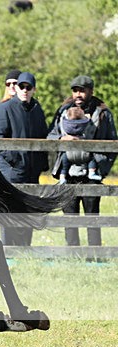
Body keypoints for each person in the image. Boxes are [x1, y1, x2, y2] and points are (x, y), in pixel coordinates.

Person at [47, 75, 117, 247]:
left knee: (92, 218)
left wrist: (100, 169)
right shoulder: (63, 111)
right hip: (68, 174)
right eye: (75, 90)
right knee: (69, 218)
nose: (78, 94)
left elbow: (113, 143)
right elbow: (51, 135)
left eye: (82, 90)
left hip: (91, 173)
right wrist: (62, 139)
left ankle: (94, 253)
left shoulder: (102, 113)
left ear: (91, 91)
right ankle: (72, 252)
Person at [0, 71, 48, 246]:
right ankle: (8, 248)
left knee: (29, 209)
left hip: (32, 170)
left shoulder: (37, 109)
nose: (24, 90)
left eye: (28, 87)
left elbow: (43, 137)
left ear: (33, 89)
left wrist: (41, 163)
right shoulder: (4, 108)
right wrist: (14, 160)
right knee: (9, 208)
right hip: (11, 170)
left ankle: (24, 248)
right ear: (16, 87)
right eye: (21, 86)